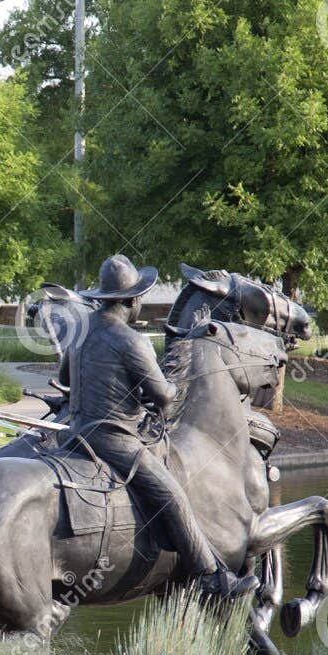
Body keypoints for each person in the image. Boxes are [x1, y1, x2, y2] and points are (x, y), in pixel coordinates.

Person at [59, 254, 259, 600]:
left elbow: (65, 378)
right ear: (131, 300)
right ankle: (211, 576)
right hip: (115, 439)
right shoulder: (129, 339)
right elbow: (163, 396)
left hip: (74, 434)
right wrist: (166, 389)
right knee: (174, 495)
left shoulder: (80, 332)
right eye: (138, 298)